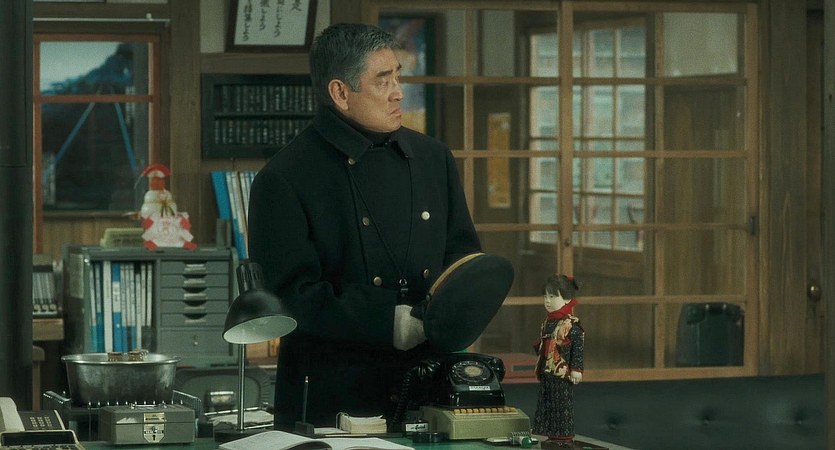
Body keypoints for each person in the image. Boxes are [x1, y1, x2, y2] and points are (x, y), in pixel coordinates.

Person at [247, 23, 481, 430]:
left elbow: (461, 257)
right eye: (383, 81)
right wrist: (388, 321)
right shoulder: (283, 178)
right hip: (329, 396)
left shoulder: (433, 158)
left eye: (398, 77)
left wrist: (453, 313)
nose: (398, 92)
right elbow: (287, 297)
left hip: (430, 385)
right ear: (340, 93)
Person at [532, 275, 584, 446]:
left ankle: (564, 437)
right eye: (545, 296)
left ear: (567, 299)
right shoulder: (548, 321)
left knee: (562, 404)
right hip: (547, 369)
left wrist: (576, 369)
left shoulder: (572, 324)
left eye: (553, 296)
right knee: (548, 403)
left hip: (562, 371)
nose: (547, 301)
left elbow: (577, 348)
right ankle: (551, 434)